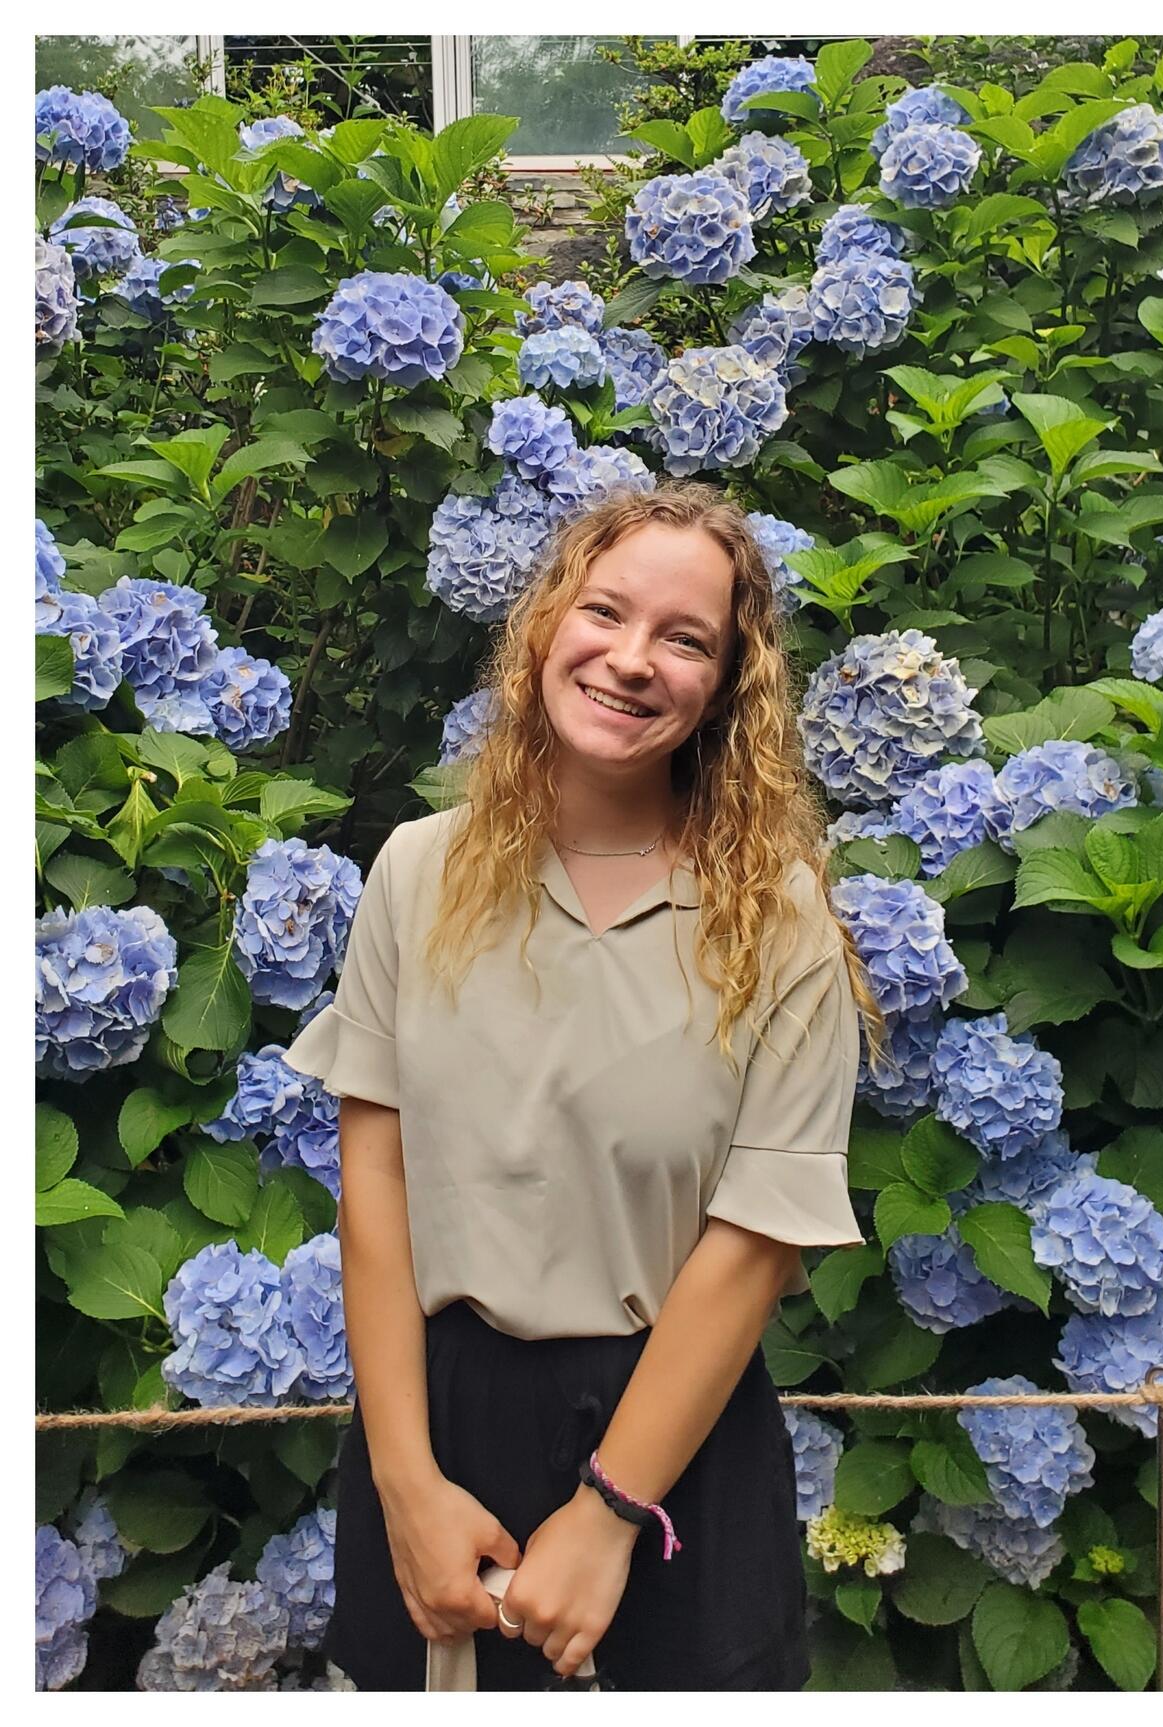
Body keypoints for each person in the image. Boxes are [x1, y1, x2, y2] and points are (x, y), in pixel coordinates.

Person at [286, 482, 879, 1689]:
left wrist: (610, 1511)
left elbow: (755, 1243)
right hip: (435, 1421)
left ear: (726, 686)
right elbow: (376, 1176)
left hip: (673, 1447)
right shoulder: (418, 872)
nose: (631, 658)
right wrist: (406, 1484)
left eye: (685, 638)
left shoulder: (782, 922)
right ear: (548, 625)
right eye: (605, 610)